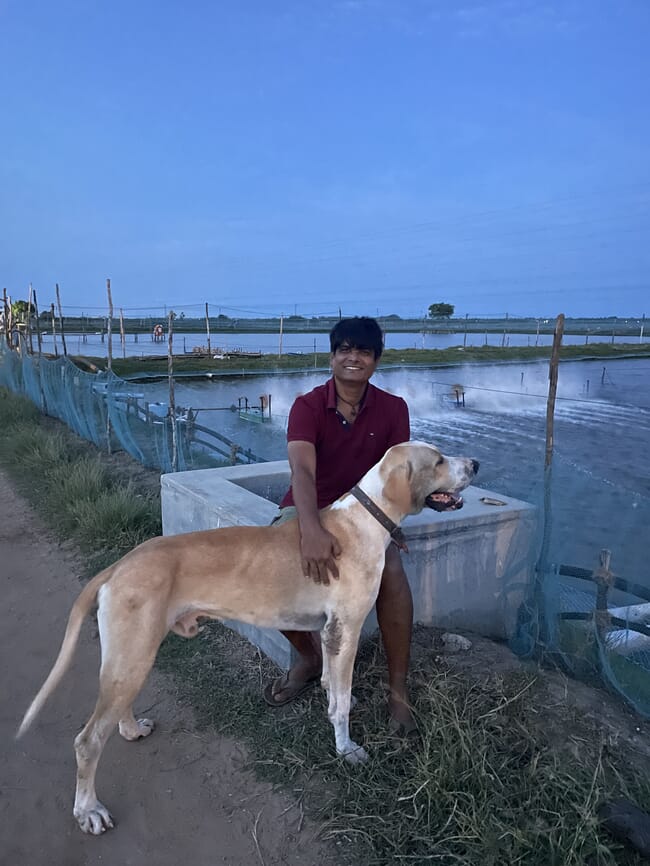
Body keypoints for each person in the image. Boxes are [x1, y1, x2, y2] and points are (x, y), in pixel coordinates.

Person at [263, 316, 415, 733]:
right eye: (344, 349)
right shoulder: (307, 406)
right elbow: (302, 473)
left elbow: (399, 478)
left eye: (363, 351)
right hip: (308, 505)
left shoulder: (393, 409)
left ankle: (398, 690)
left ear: (375, 360)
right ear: (332, 357)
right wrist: (311, 530)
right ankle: (310, 658)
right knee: (272, 572)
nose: (353, 358)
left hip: (364, 514)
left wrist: (392, 526)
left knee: (393, 575)